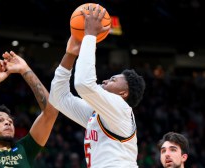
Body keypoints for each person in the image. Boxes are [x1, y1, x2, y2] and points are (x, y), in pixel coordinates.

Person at [49, 4, 146, 168]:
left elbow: (83, 84)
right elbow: (59, 98)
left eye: (114, 80)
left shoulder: (121, 109)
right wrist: (70, 55)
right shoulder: (98, 115)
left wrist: (90, 36)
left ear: (123, 93)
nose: (106, 80)